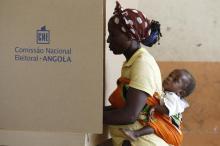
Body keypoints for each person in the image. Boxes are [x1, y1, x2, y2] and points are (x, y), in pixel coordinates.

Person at [99, 1, 168, 146]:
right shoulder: (132, 62)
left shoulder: (143, 64)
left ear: (130, 36)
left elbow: (129, 115)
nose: (108, 40)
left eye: (113, 35)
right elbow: (124, 106)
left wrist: (88, 116)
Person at [119, 69, 196, 146]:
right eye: (170, 75)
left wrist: (155, 107)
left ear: (180, 92)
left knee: (155, 124)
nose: (169, 78)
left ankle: (135, 134)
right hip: (169, 127)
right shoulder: (167, 93)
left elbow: (167, 110)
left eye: (175, 80)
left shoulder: (174, 98)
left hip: (173, 132)